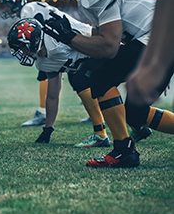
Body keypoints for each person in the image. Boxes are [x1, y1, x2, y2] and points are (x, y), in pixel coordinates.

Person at [44, 0, 174, 168]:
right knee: (135, 113)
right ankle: (124, 148)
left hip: (159, 35)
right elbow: (103, 37)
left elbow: (109, 47)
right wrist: (72, 33)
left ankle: (124, 150)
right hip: (157, 36)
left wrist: (68, 38)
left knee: (100, 77)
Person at [7, 14, 110, 148]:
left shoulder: (56, 37)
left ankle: (101, 135)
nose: (22, 52)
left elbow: (93, 34)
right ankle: (136, 126)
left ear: (35, 39)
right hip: (88, 66)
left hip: (105, 54)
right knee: (134, 111)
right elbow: (52, 96)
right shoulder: (42, 63)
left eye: (22, 47)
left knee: (81, 80)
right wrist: (47, 129)